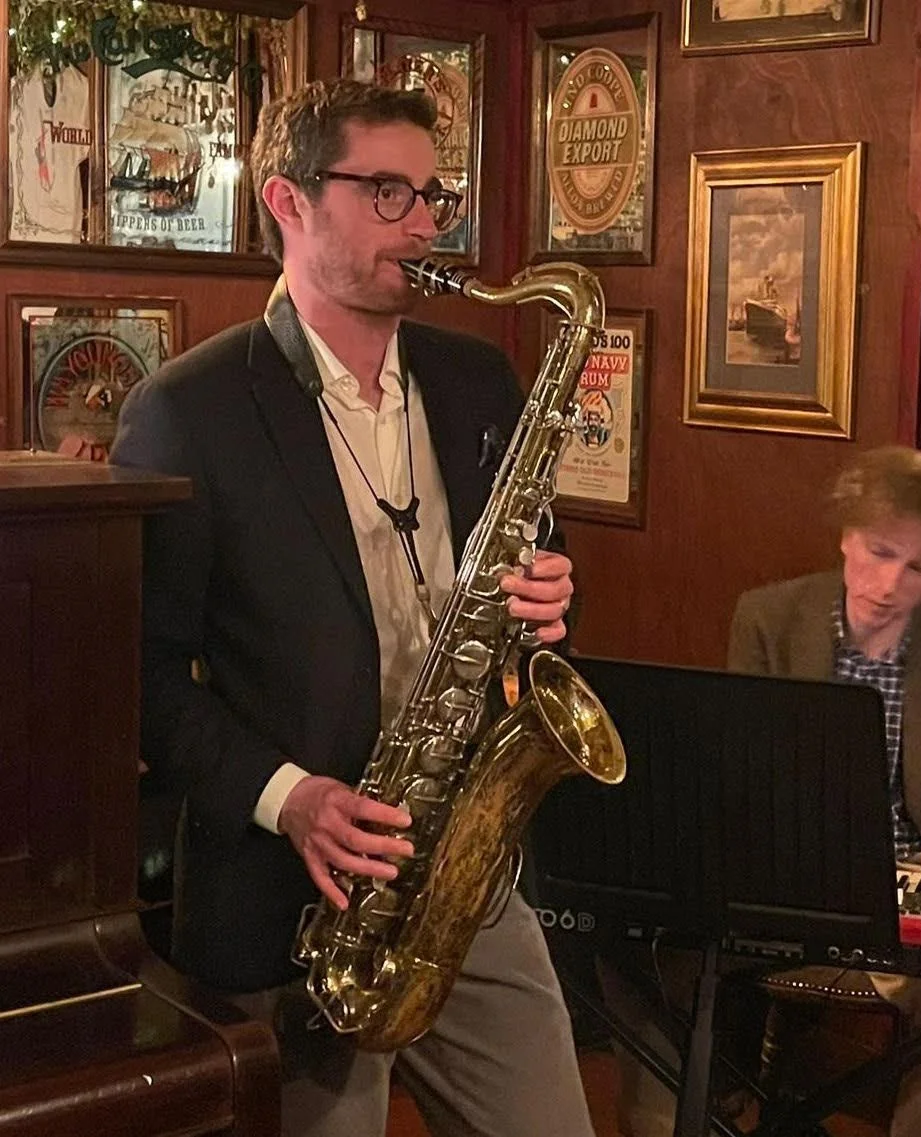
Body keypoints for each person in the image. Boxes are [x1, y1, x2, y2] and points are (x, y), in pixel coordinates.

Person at [110, 78, 593, 1137]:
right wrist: (293, 799)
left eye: (431, 194)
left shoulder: (476, 382)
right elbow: (133, 681)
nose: (423, 222)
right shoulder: (188, 412)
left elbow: (530, 565)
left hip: (466, 870)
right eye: (385, 191)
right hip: (294, 898)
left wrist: (549, 600)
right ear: (287, 202)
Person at [726, 445, 921, 1137]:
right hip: (789, 872)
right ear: (845, 535)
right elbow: (738, 768)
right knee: (640, 941)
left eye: (917, 567)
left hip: (916, 877)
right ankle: (685, 1118)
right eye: (877, 552)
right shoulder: (768, 619)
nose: (888, 581)